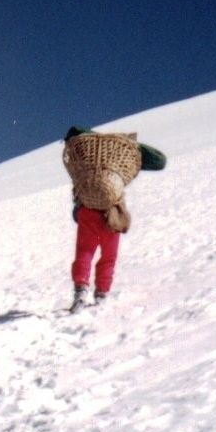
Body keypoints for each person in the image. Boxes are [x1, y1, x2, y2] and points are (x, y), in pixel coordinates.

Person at [64, 125, 165, 310]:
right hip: (112, 213)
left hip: (87, 211)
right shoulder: (121, 158)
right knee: (109, 256)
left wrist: (93, 136)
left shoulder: (88, 155)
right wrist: (134, 147)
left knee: (84, 253)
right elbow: (160, 161)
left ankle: (80, 291)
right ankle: (102, 293)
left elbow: (74, 130)